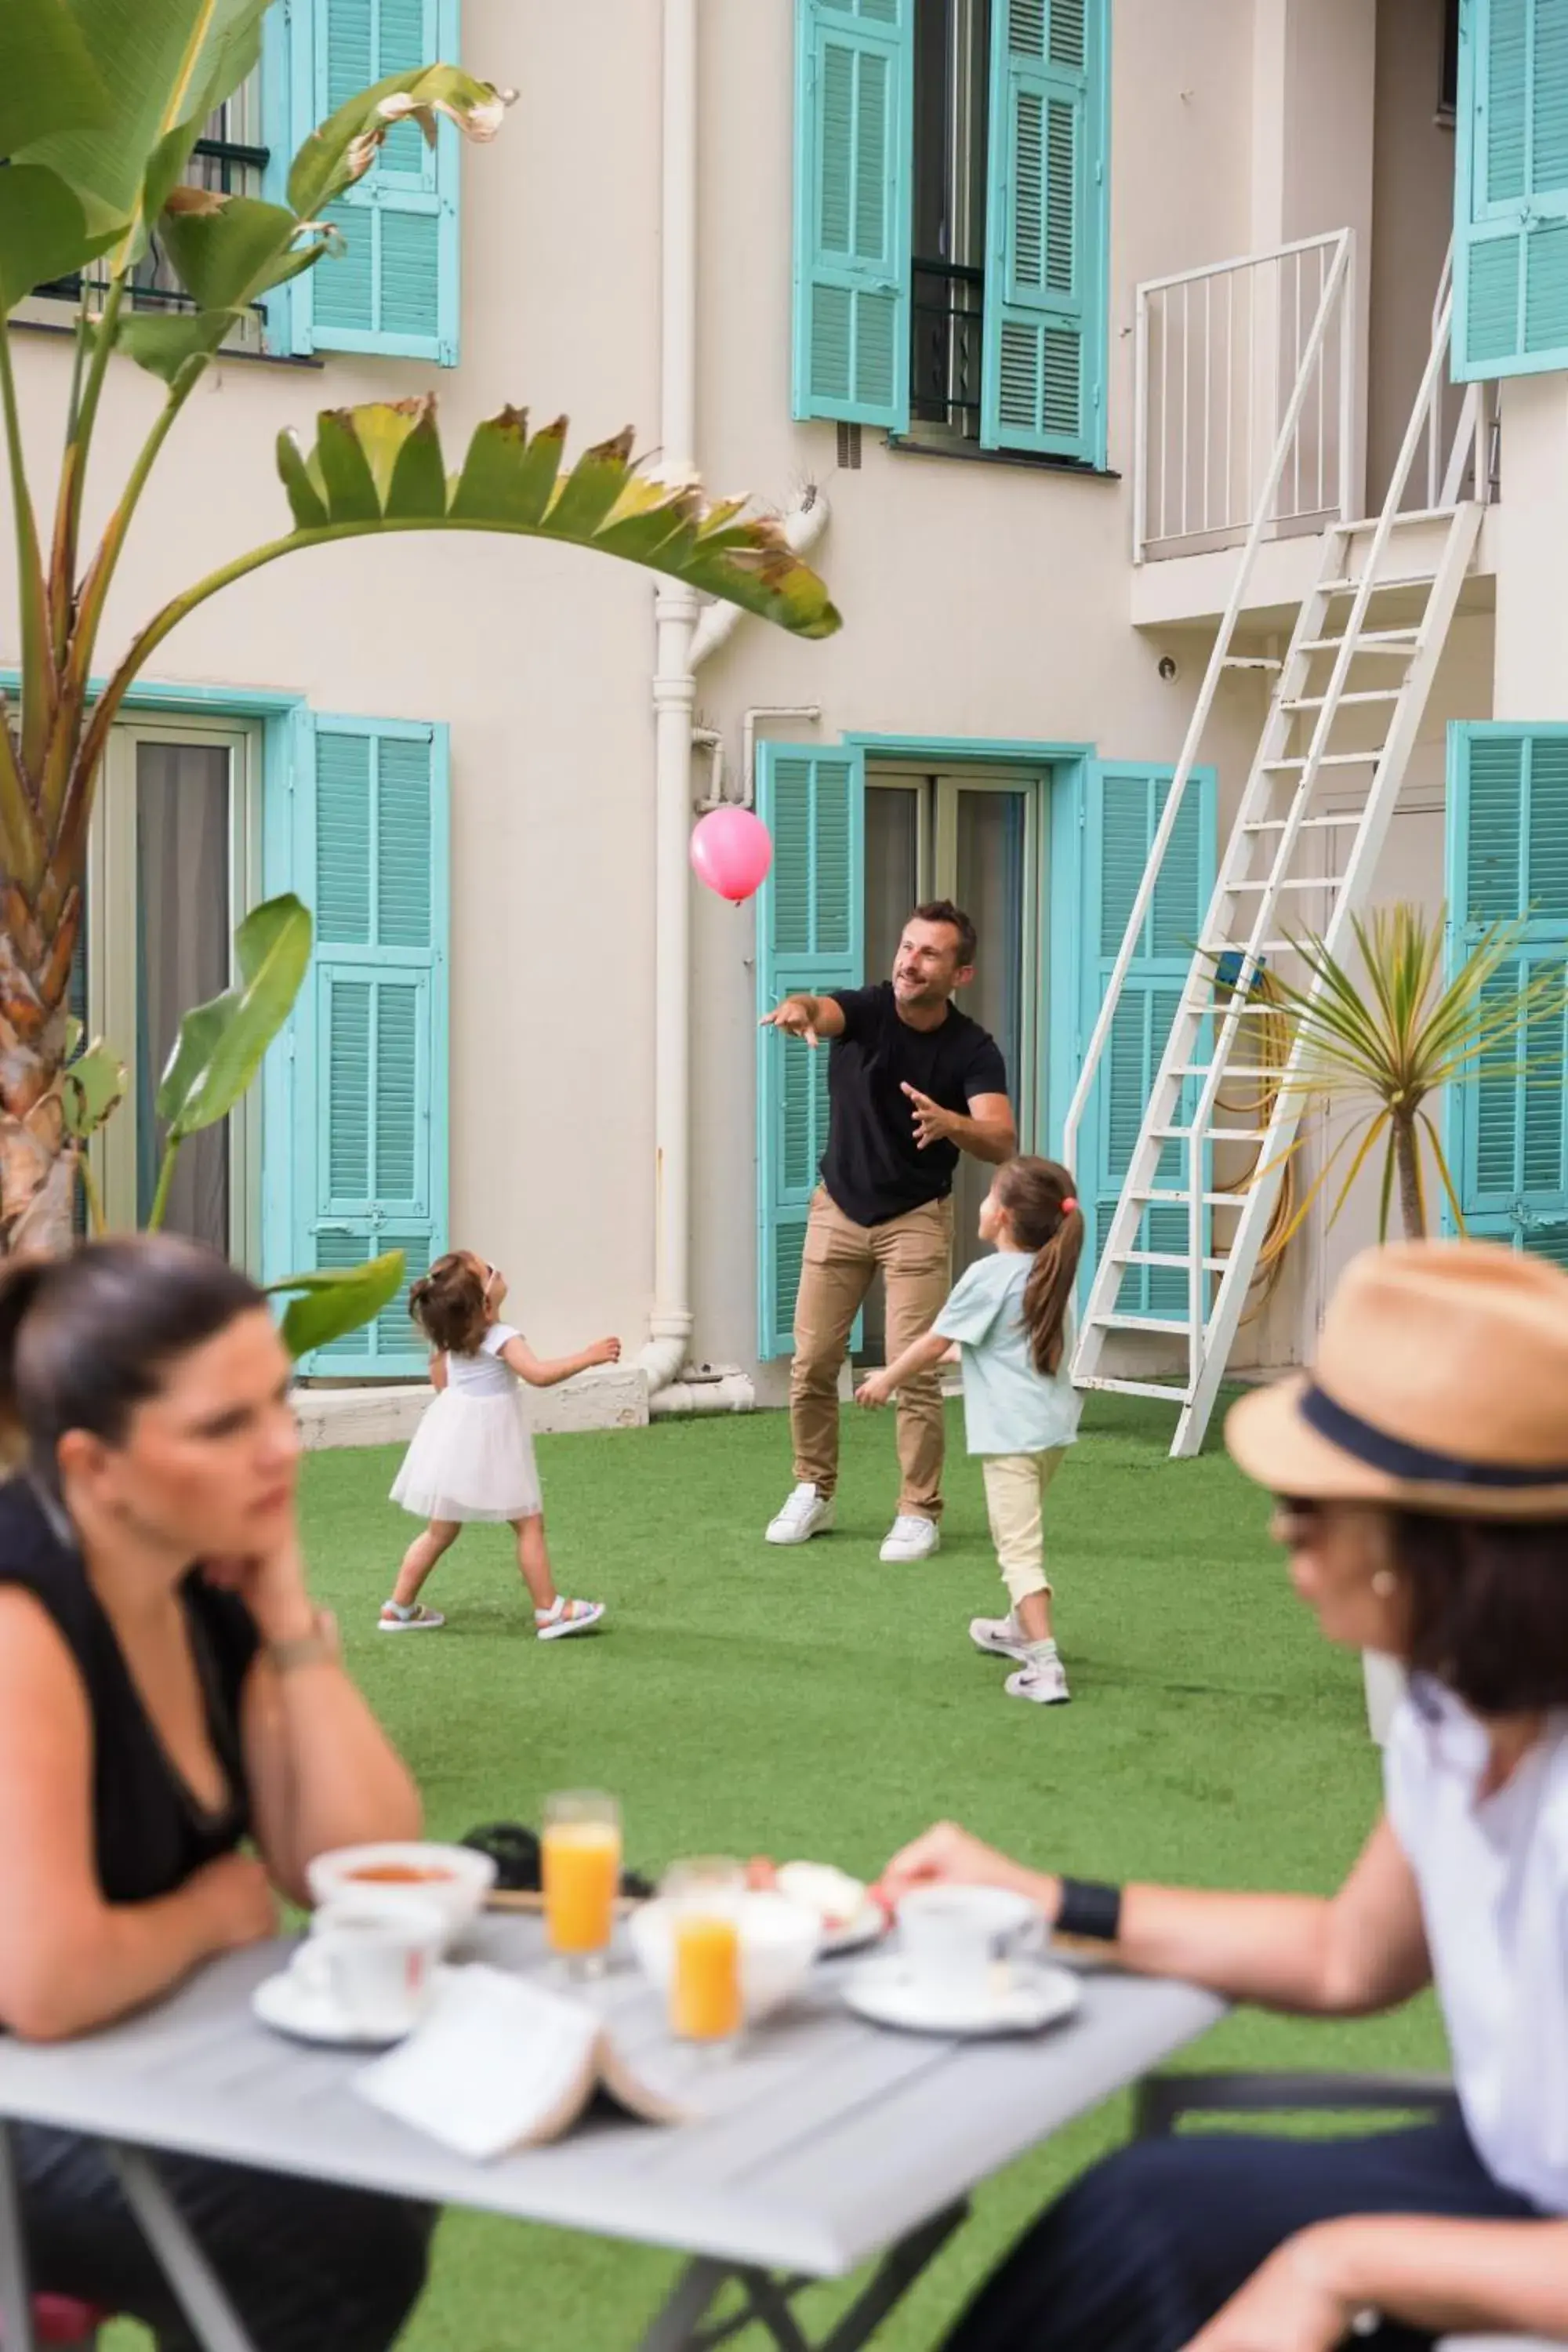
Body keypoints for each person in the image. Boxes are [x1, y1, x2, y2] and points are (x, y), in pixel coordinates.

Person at [878, 1240, 1568, 2352]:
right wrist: (1042, 1900)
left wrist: (1334, 2266)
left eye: (1313, 1502)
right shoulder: (1460, 1714)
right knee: (1138, 2214)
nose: (1281, 1530)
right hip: (1506, 2180)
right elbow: (1350, 1954)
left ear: (1445, 1547)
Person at [0, 1234, 431, 2352]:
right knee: (326, 2232)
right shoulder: (19, 1618)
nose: (278, 1450)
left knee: (392, 2141)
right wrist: (217, 1911)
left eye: (278, 1406)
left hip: (107, 2063)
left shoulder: (203, 1579)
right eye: (223, 1428)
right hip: (28, 2087)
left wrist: (288, 1619)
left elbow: (358, 1866)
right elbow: (43, 1982)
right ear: (96, 1468)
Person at [758, 901, 1017, 1564]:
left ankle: (918, 1511)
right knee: (813, 1362)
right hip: (838, 1208)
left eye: (930, 954)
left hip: (915, 1220)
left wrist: (952, 1124)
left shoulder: (972, 1049)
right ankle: (813, 1489)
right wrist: (796, 1008)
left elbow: (1001, 1138)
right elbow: (819, 1009)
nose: (910, 961)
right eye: (907, 947)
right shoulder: (868, 1009)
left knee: (916, 1370)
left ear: (960, 974)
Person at [856, 1156, 1083, 1704]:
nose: (979, 1206)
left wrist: (886, 1380)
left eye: (986, 1199)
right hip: (1051, 1432)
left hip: (1011, 1438)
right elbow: (1001, 1347)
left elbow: (934, 1343)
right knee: (1022, 1532)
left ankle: (1046, 1667)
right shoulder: (1048, 1272)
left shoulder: (986, 1276)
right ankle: (1017, 1627)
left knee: (1019, 1552)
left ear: (1002, 1217)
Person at [382, 1250, 616, 1637]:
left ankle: (399, 1607)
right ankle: (549, 1610)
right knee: (528, 1525)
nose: (498, 1269)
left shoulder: (449, 1341)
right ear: (486, 1306)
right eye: (489, 1271)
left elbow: (442, 1386)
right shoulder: (503, 1337)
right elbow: (538, 1375)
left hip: (454, 1442)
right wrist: (589, 1357)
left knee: (440, 1531)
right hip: (493, 1443)